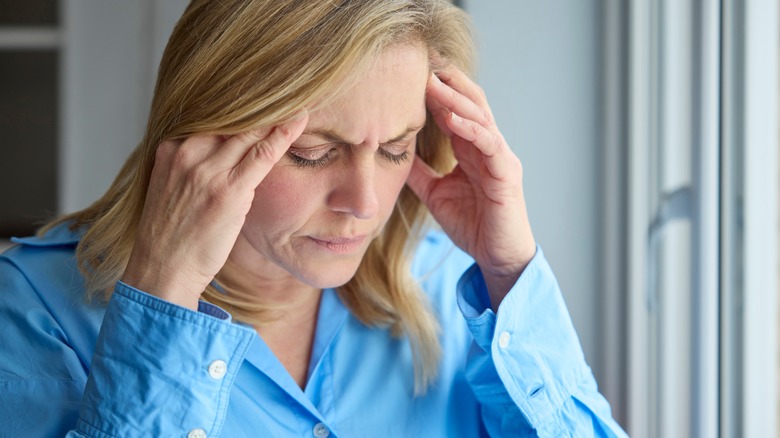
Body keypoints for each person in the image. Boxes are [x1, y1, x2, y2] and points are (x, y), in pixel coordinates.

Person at [0, 0, 627, 436]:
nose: (366, 203)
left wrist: (512, 270)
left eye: (395, 150)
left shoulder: (449, 285)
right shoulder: (32, 311)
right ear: (202, 140)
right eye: (313, 154)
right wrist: (162, 297)